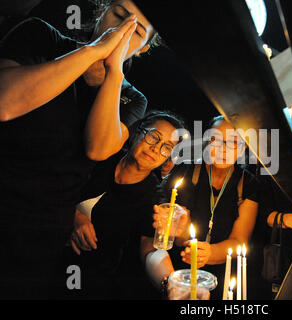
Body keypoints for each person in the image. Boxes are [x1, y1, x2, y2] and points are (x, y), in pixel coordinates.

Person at [0, 0, 154, 298]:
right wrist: (93, 51)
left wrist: (114, 74)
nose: (120, 32)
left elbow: (98, 148)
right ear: (100, 12)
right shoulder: (40, 35)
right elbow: (5, 102)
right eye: (119, 15)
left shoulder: (133, 99)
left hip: (43, 236)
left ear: (145, 48)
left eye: (136, 32)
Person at [69, 111, 191, 299]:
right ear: (137, 133)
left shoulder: (154, 198)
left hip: (92, 280)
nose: (156, 149)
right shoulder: (102, 153)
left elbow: (151, 249)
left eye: (167, 147)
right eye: (153, 137)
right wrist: (73, 217)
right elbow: (54, 185)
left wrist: (172, 283)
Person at [154, 115, 262, 300]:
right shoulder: (188, 170)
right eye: (215, 139)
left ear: (243, 147)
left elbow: (239, 240)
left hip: (223, 276)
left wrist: (211, 253)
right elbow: (177, 231)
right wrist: (180, 234)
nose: (222, 148)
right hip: (178, 270)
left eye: (233, 142)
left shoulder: (249, 184)